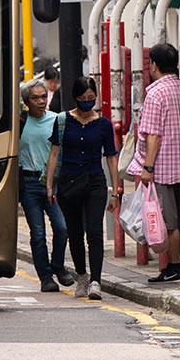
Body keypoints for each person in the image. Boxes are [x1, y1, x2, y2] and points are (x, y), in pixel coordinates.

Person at [128, 43, 180, 283]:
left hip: (164, 169)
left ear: (153, 65)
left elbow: (152, 135)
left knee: (169, 223)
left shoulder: (155, 94)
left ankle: (175, 267)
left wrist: (147, 168)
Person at [45, 76, 120, 300]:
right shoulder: (63, 121)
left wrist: (116, 191)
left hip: (95, 182)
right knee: (75, 232)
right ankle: (82, 276)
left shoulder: (104, 125)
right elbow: (54, 153)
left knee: (95, 231)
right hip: (69, 182)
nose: (87, 102)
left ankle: (96, 280)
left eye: (91, 98)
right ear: (75, 98)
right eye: (83, 98)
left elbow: (111, 158)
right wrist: (49, 185)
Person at [19, 81, 74, 292]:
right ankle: (45, 277)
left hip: (53, 184)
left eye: (44, 97)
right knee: (38, 233)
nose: (41, 101)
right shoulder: (21, 123)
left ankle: (58, 266)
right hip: (29, 183)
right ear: (26, 102)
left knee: (62, 228)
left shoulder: (56, 120)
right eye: (35, 98)